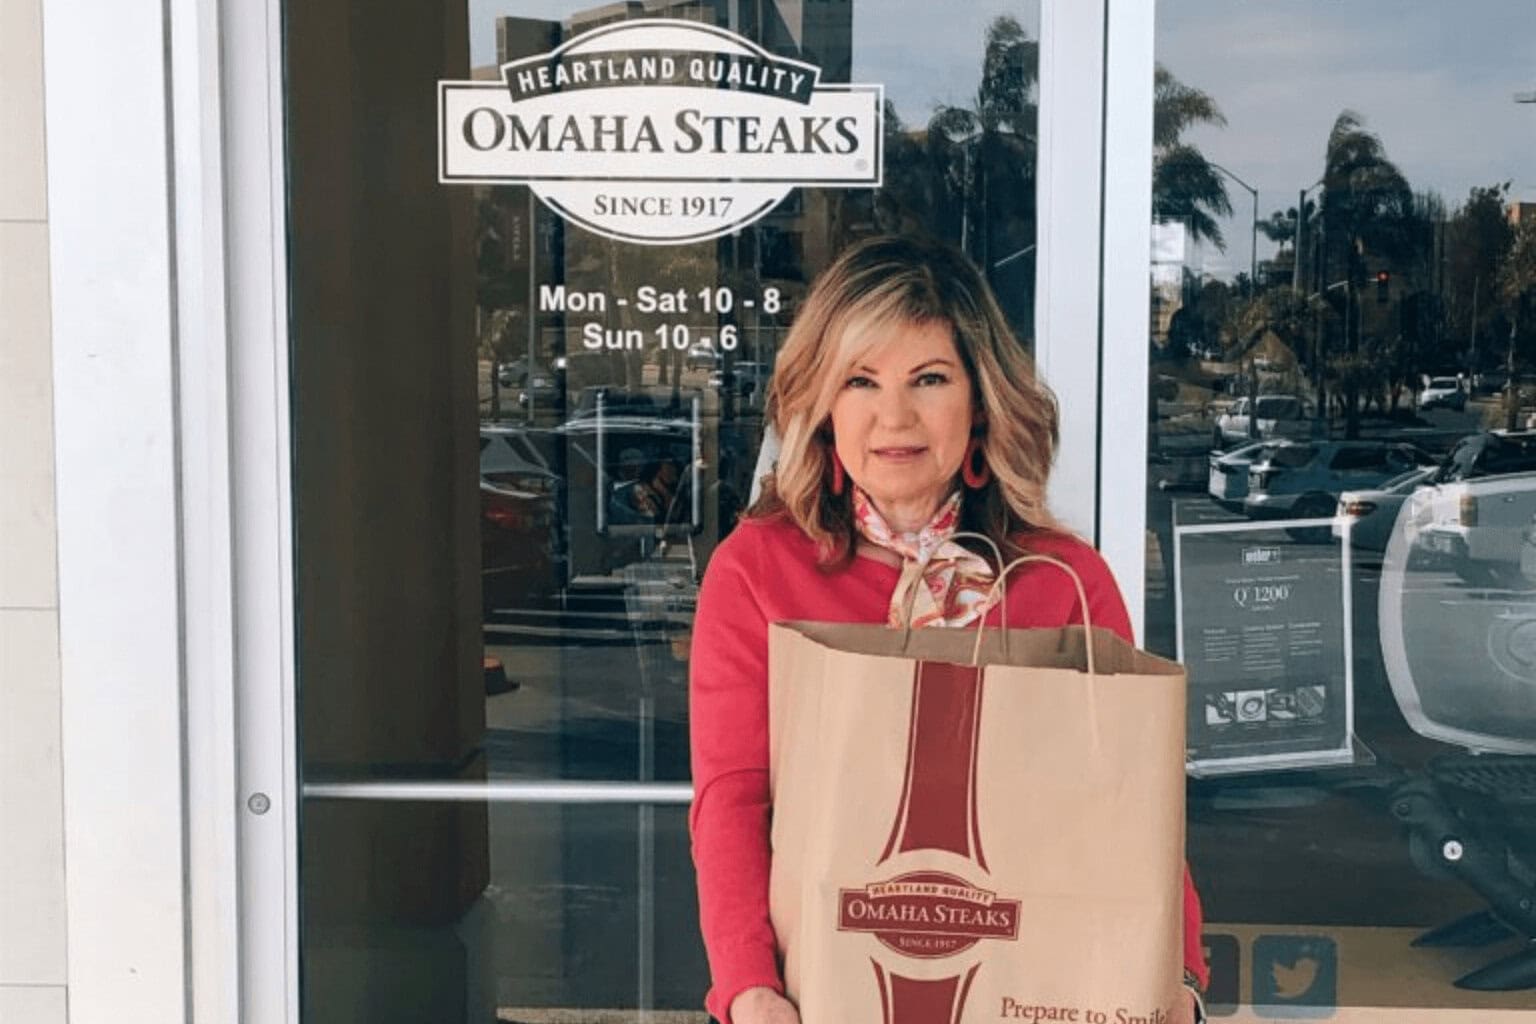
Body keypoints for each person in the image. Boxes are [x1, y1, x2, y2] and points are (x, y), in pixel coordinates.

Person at [688, 235, 1209, 1024]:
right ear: (824, 403)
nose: (893, 416)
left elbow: (1131, 813)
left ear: (980, 400)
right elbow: (732, 798)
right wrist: (748, 988)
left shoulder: (1064, 583)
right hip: (821, 997)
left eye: (928, 379)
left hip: (1035, 992)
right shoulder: (756, 570)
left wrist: (1178, 979)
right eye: (861, 380)